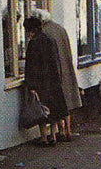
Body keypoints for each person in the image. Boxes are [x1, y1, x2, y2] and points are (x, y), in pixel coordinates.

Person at [33, 9, 83, 140]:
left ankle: (59, 132)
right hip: (65, 68)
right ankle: (67, 130)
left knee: (55, 104)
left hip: (52, 72)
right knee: (65, 102)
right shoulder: (60, 28)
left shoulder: (44, 33)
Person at [22, 16, 69, 146]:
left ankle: (44, 137)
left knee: (41, 110)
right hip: (53, 80)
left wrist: (30, 84)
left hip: (40, 81)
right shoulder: (51, 40)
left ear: (31, 30)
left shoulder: (33, 43)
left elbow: (31, 65)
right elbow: (56, 61)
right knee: (53, 110)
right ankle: (53, 135)